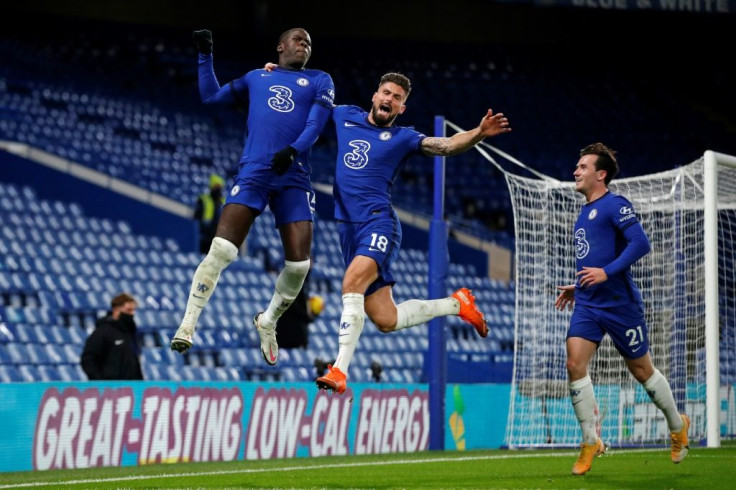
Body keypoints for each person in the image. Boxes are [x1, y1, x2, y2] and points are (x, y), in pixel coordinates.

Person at [312, 72, 511, 394]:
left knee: (350, 283)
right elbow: (307, 103)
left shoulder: (403, 137)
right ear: (375, 95)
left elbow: (445, 145)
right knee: (386, 319)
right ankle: (456, 304)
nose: (389, 100)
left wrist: (478, 133)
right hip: (347, 230)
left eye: (397, 98)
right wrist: (277, 73)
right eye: (386, 93)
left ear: (401, 108)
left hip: (378, 223)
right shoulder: (344, 114)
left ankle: (339, 370)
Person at [170, 27, 335, 367]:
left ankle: (268, 320)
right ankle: (188, 324)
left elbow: (317, 123)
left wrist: (293, 150)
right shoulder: (257, 77)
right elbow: (211, 97)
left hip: (294, 176)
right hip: (255, 171)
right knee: (221, 249)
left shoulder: (320, 79)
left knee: (300, 265)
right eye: (298, 40)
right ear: (280, 46)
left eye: (309, 42)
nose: (304, 44)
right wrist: (205, 56)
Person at [554, 142, 689, 475]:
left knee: (642, 371)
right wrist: (580, 284)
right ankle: (590, 440)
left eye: (583, 166)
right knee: (574, 363)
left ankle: (677, 425)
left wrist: (605, 273)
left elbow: (641, 243)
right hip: (588, 302)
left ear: (601, 175)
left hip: (619, 305)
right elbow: (594, 255)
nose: (576, 170)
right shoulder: (583, 212)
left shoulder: (615, 204)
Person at [81, 293, 143, 380]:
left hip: (132, 387)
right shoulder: (102, 332)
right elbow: (88, 359)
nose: (132, 313)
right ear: (116, 310)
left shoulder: (130, 333)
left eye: (133, 310)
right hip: (111, 389)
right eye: (129, 310)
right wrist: (100, 382)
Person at [194, 173, 226, 254]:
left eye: (220, 188)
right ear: (211, 187)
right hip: (205, 238)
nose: (218, 190)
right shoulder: (203, 200)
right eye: (216, 187)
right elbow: (196, 219)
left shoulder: (224, 202)